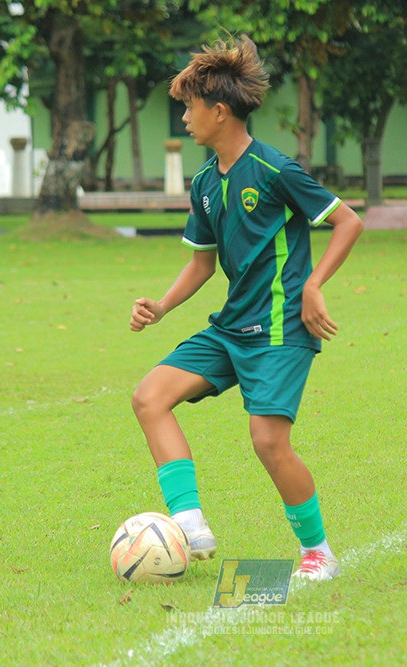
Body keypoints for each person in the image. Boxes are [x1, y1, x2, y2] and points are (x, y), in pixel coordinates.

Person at [129, 35, 364, 581]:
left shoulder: (274, 169)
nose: (184, 118)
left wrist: (313, 285)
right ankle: (189, 524)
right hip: (232, 327)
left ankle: (317, 553)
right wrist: (161, 307)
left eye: (189, 108)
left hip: (281, 328)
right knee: (150, 397)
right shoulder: (206, 183)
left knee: (268, 442)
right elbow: (201, 264)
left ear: (219, 110)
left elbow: (348, 221)